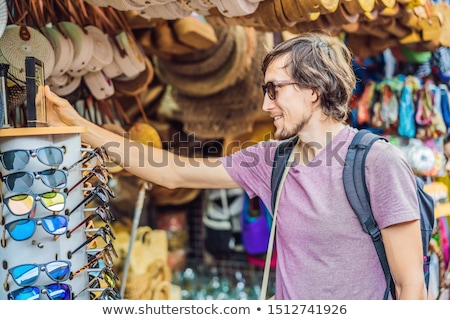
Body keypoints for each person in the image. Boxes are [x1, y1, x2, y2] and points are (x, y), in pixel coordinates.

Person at [45, 32, 426, 300]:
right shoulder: (269, 160)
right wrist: (80, 127)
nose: (265, 105)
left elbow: (412, 288)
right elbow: (170, 171)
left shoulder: (377, 163)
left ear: (315, 89)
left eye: (274, 89)